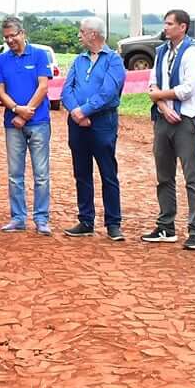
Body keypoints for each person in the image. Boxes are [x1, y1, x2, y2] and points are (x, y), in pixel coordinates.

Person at [143, 8, 195, 250]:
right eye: (165, 23)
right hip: (162, 119)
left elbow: (188, 88)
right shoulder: (161, 52)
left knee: (191, 176)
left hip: (186, 120)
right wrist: (161, 105)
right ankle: (166, 225)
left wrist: (160, 96)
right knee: (164, 175)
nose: (165, 27)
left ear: (183, 27)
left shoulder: (192, 53)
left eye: (170, 24)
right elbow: (152, 83)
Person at [60, 17, 125, 242]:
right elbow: (66, 89)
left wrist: (84, 111)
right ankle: (86, 220)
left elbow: (109, 93)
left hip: (102, 123)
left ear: (93, 34)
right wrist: (76, 112)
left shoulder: (113, 61)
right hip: (78, 124)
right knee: (82, 172)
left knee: (108, 173)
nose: (79, 35)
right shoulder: (79, 60)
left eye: (82, 31)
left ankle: (113, 223)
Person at [0, 16, 57, 235]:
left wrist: (26, 112)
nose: (10, 40)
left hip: (38, 122)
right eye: (6, 37)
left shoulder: (40, 55)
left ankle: (41, 219)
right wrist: (16, 110)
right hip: (13, 123)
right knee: (14, 173)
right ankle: (18, 217)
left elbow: (43, 87)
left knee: (41, 173)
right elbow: (1, 91)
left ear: (23, 33)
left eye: (13, 35)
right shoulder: (1, 60)